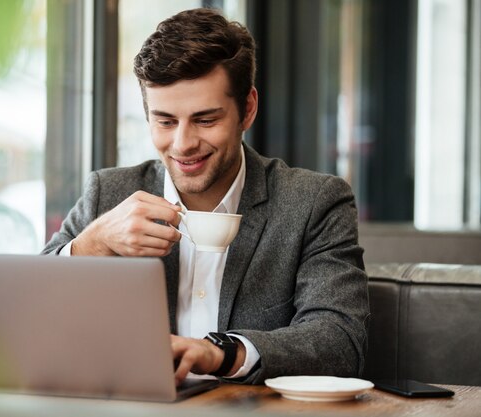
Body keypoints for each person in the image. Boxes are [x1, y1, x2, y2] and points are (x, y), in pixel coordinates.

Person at [43, 7, 369, 385]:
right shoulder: (108, 194)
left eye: (205, 120)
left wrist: (221, 353)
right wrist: (91, 245)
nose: (183, 144)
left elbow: (341, 342)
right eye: (165, 121)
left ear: (247, 109)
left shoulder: (315, 202)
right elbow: (30, 316)